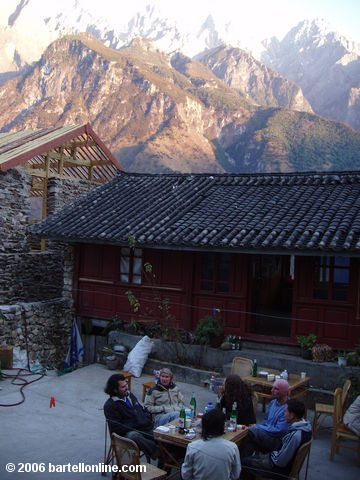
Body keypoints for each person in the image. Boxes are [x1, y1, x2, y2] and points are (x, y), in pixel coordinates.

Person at [241, 399, 312, 479]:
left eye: (285, 412)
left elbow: (280, 461)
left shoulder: (295, 435)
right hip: (279, 462)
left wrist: (270, 454)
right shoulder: (306, 428)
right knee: (251, 452)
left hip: (277, 469)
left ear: (292, 415)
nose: (284, 414)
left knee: (243, 462)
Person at [103, 373, 158, 459]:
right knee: (134, 436)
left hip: (143, 427)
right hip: (125, 435)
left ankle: (169, 457)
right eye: (123, 387)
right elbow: (117, 428)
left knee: (161, 434)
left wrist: (147, 417)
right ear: (115, 390)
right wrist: (137, 422)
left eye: (126, 385)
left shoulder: (129, 395)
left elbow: (141, 409)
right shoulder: (110, 405)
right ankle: (158, 454)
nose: (127, 388)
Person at [181, 409, 241, 480]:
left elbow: (185, 475)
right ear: (223, 427)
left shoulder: (192, 447)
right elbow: (236, 474)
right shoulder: (232, 447)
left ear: (203, 427)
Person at [241, 379, 289, 456]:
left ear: (285, 392)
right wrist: (258, 427)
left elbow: (279, 431)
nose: (272, 390)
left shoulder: (287, 409)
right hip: (267, 433)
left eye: (276, 389)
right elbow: (266, 421)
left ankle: (244, 461)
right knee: (248, 431)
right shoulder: (273, 403)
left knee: (250, 432)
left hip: (276, 440)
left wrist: (258, 428)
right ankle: (247, 459)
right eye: (272, 387)